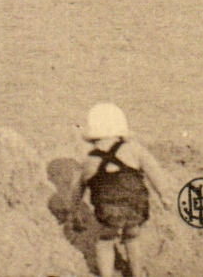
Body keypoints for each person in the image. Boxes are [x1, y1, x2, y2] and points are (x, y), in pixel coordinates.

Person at [69, 103, 174, 277]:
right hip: (135, 207)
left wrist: (75, 209)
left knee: (105, 242)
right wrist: (164, 195)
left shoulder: (90, 160)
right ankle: (137, 273)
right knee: (132, 238)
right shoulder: (133, 149)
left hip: (108, 211)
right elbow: (153, 170)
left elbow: (78, 186)